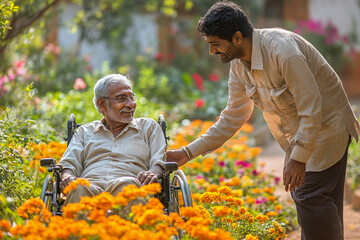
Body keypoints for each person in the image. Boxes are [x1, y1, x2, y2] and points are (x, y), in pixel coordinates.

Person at [166, 1, 360, 240]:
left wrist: (298, 158)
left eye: (215, 44)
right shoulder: (239, 66)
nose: (212, 51)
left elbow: (312, 108)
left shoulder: (283, 51)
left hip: (328, 127)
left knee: (309, 196)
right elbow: (233, 116)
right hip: (305, 131)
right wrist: (188, 152)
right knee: (320, 202)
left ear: (237, 37)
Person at [59, 74, 166, 204]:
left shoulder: (148, 127)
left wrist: (153, 172)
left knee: (127, 185)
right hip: (90, 186)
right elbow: (69, 163)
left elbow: (159, 162)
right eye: (122, 98)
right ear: (102, 103)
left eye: (132, 97)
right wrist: (67, 176)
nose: (131, 104)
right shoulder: (85, 132)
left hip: (131, 185)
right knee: (78, 187)